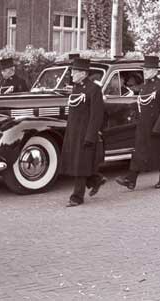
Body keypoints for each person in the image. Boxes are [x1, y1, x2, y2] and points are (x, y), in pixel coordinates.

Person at [116, 55, 160, 190]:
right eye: (144, 70)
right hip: (144, 126)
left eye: (148, 70)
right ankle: (131, 180)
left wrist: (158, 127)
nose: (145, 73)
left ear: (155, 71)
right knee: (139, 152)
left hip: (157, 126)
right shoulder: (144, 87)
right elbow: (140, 106)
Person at [61, 57, 106, 207]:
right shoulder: (76, 88)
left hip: (85, 133)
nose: (72, 74)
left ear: (84, 73)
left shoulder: (94, 89)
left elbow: (96, 116)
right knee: (76, 162)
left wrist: (90, 136)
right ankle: (95, 179)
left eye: (75, 72)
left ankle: (77, 197)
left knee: (80, 164)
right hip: (73, 132)